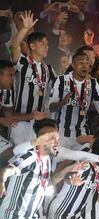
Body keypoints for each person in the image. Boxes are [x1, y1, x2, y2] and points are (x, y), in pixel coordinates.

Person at [0, 118, 99, 219]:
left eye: (58, 140)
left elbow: (51, 181)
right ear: (42, 140)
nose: (57, 143)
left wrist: (70, 168)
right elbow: (9, 169)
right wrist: (2, 179)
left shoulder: (48, 160)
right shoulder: (30, 155)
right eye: (53, 139)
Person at [10, 11, 55, 145]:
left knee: (34, 158)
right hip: (19, 121)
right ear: (32, 46)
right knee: (17, 156)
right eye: (42, 43)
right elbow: (14, 46)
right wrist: (25, 28)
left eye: (47, 43)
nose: (46, 46)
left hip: (38, 123)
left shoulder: (49, 69)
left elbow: (61, 87)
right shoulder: (23, 63)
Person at [49, 52, 99, 150]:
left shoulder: (93, 83)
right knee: (61, 163)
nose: (85, 65)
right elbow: (51, 108)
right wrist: (62, 103)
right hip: (61, 134)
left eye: (87, 63)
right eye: (81, 62)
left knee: (83, 162)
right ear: (73, 65)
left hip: (81, 134)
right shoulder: (61, 80)